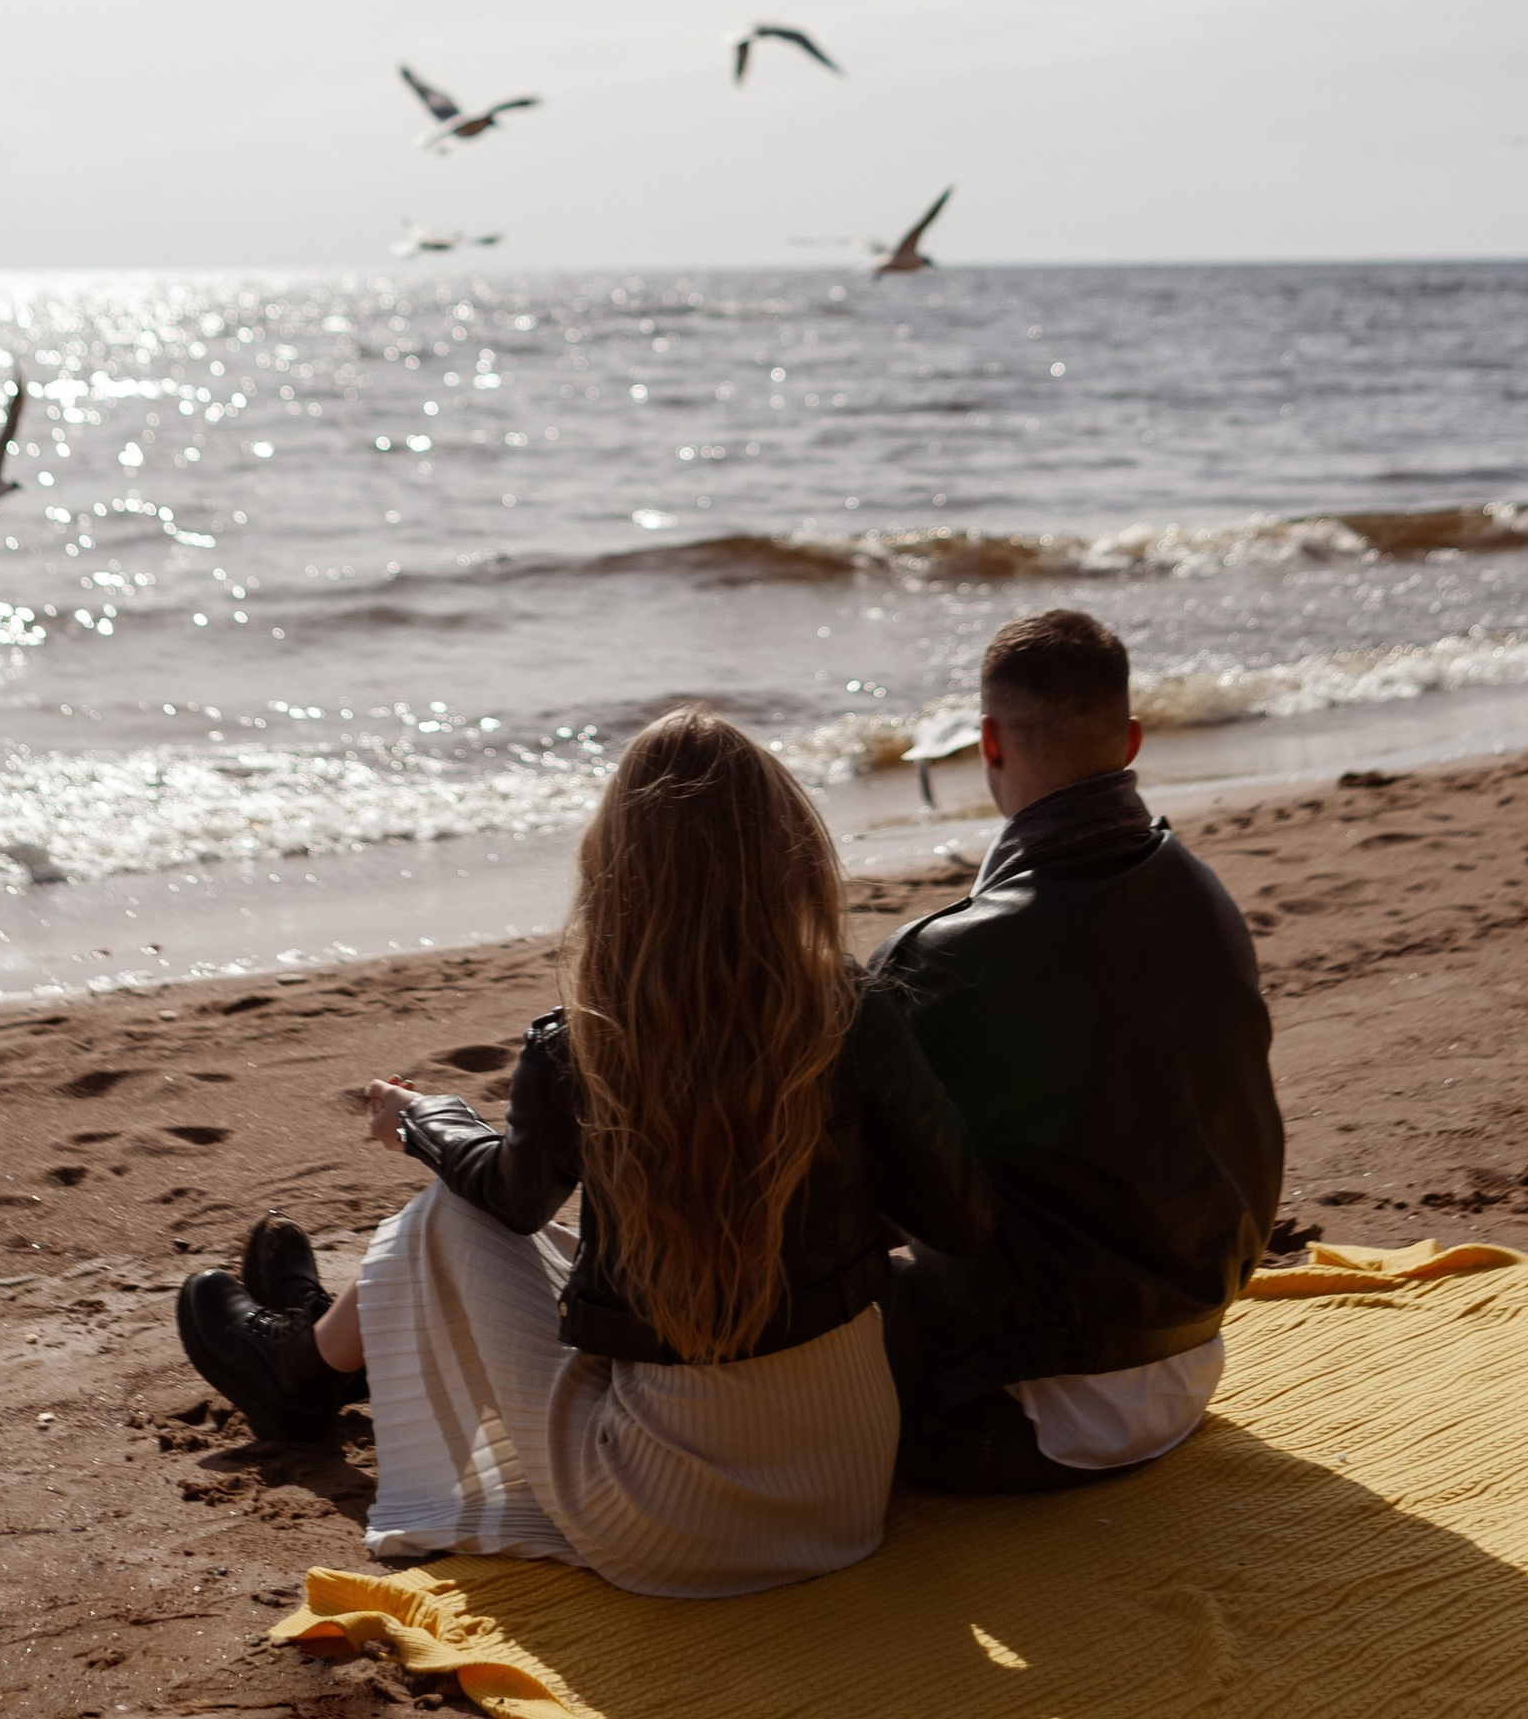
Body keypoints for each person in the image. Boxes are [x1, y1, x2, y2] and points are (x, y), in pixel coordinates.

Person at [176, 707, 995, 1597]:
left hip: (663, 1521)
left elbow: (510, 1202)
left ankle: (298, 1369)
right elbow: (958, 1217)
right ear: (787, 852)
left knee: (445, 1216)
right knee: (508, 1231)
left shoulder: (587, 1045)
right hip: (845, 1491)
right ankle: (308, 1351)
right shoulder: (851, 1011)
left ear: (620, 871)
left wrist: (421, 1120)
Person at [873, 607, 1284, 1495]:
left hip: (1029, 1415)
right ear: (1132, 738)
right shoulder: (1203, 893)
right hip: (1191, 1357)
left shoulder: (944, 958)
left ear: (987, 740)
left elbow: (858, 1192)